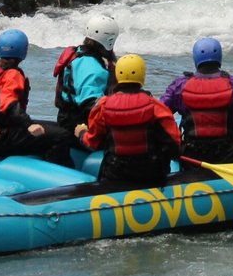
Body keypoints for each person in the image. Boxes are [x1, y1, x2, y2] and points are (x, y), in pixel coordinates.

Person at [75, 54, 182, 187]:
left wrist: (81, 133)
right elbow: (174, 143)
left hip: (114, 176)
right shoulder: (156, 107)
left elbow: (92, 142)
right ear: (142, 75)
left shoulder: (103, 106)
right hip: (151, 177)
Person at [0, 28, 74, 165]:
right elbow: (8, 105)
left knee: (58, 127)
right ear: (23, 51)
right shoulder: (12, 74)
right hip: (0, 138)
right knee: (62, 135)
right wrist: (28, 125)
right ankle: (61, 175)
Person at [161, 37, 233, 165]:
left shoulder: (179, 86)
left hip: (191, 155)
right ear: (219, 58)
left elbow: (159, 114)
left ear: (196, 60)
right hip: (230, 153)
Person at [53, 12, 119, 132]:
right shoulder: (90, 66)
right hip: (77, 124)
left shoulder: (82, 53)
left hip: (71, 118)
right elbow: (90, 103)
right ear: (110, 41)